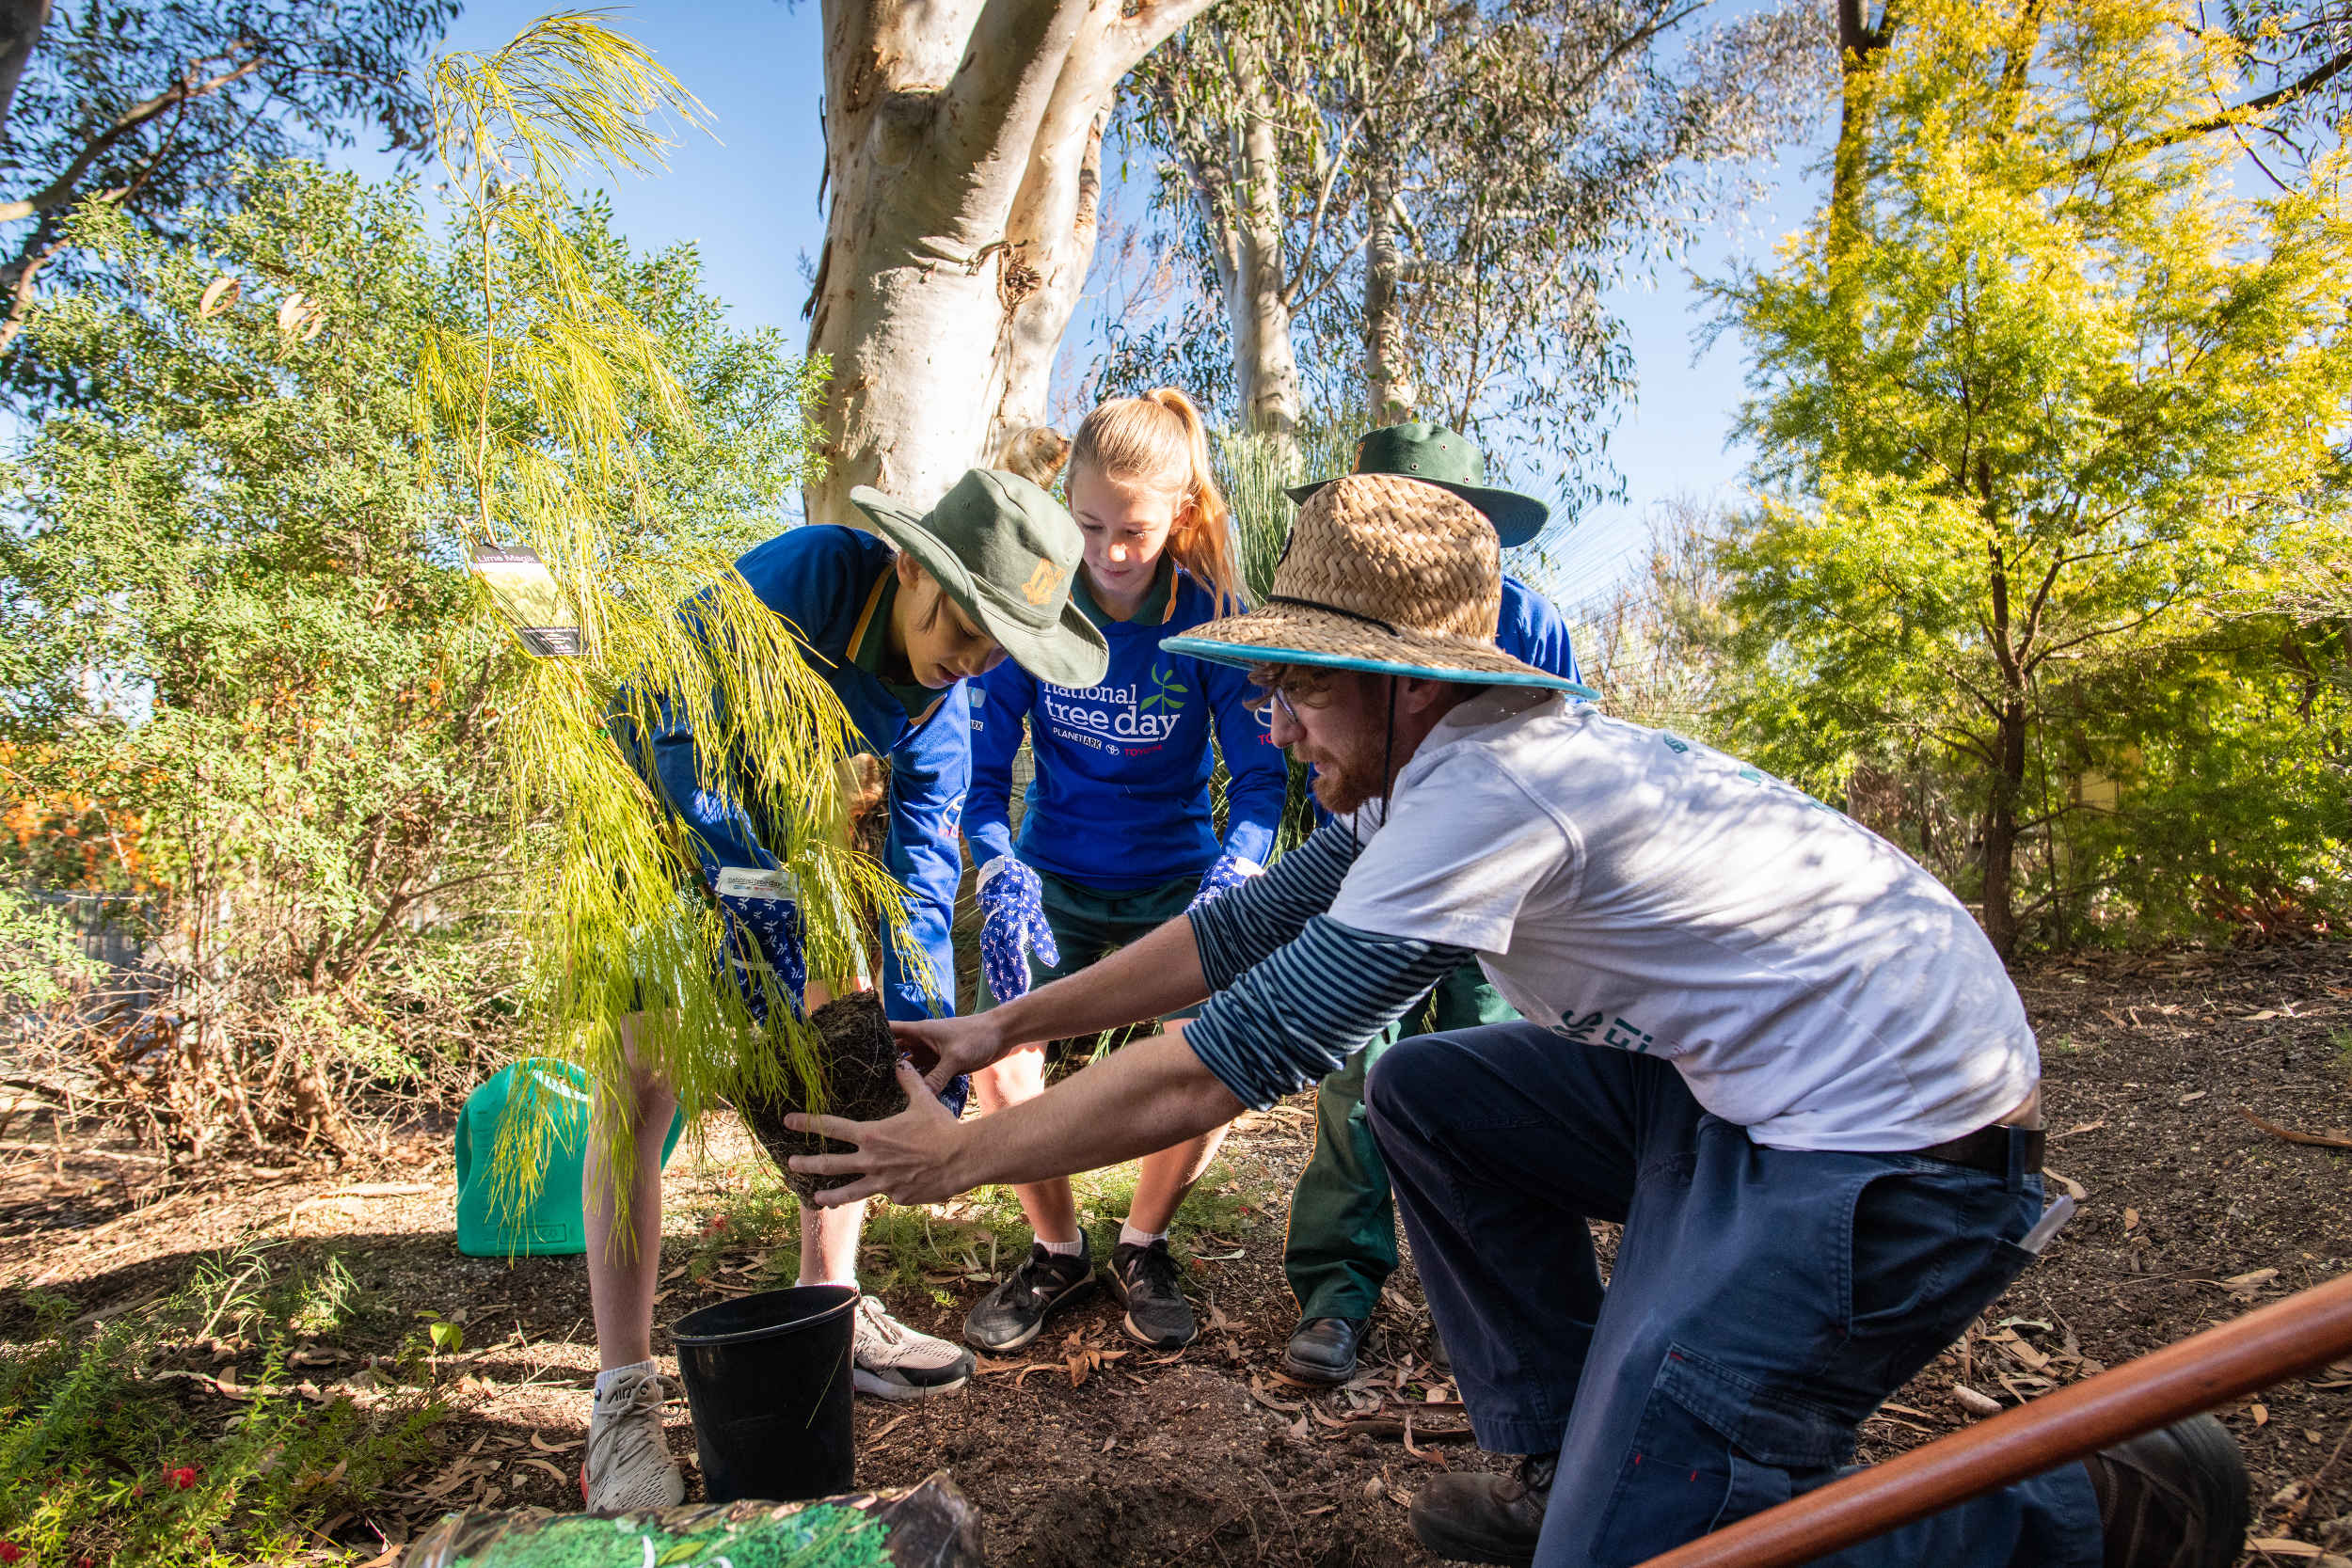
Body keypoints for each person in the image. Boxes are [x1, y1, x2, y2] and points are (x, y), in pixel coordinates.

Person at [781, 472, 2249, 1568]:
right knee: (1430, 1090)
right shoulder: (1434, 779)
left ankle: (2100, 1502)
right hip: (1746, 1105)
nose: (1276, 721)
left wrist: (954, 1158)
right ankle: (1570, 1459)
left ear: (1401, 684)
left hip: (1901, 1165)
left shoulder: (1492, 791)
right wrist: (999, 1026)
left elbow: (1246, 1048)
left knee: (1643, 1558)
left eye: (1298, 683)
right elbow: (1237, 931)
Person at [585, 468, 1108, 1513]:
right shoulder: (810, 579)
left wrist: (909, 1050)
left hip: (800, 873)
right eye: (961, 624)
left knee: (854, 1047)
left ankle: (830, 1304)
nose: (969, 661)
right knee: (637, 1086)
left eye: (999, 647)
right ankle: (622, 1395)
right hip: (647, 823)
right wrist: (773, 900)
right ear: (909, 565)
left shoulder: (943, 715)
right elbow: (681, 741)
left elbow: (917, 882)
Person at [961, 391, 1288, 1353]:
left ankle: (1144, 1242)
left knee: (1211, 1050)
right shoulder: (1037, 607)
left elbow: (1262, 780)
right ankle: (1054, 1249)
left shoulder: (1212, 620)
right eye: (1087, 523)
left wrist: (1240, 865)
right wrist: (996, 864)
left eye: (1132, 529)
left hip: (1178, 878)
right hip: (1054, 870)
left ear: (1181, 513)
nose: (1107, 550)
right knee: (999, 1051)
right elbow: (980, 778)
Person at [1277, 423, 1581, 1385]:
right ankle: (1337, 1285)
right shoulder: (1333, 617)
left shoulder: (1529, 622)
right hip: (1386, 862)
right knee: (1356, 1070)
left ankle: (1502, 1307)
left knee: (1488, 1070)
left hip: (1494, 894)